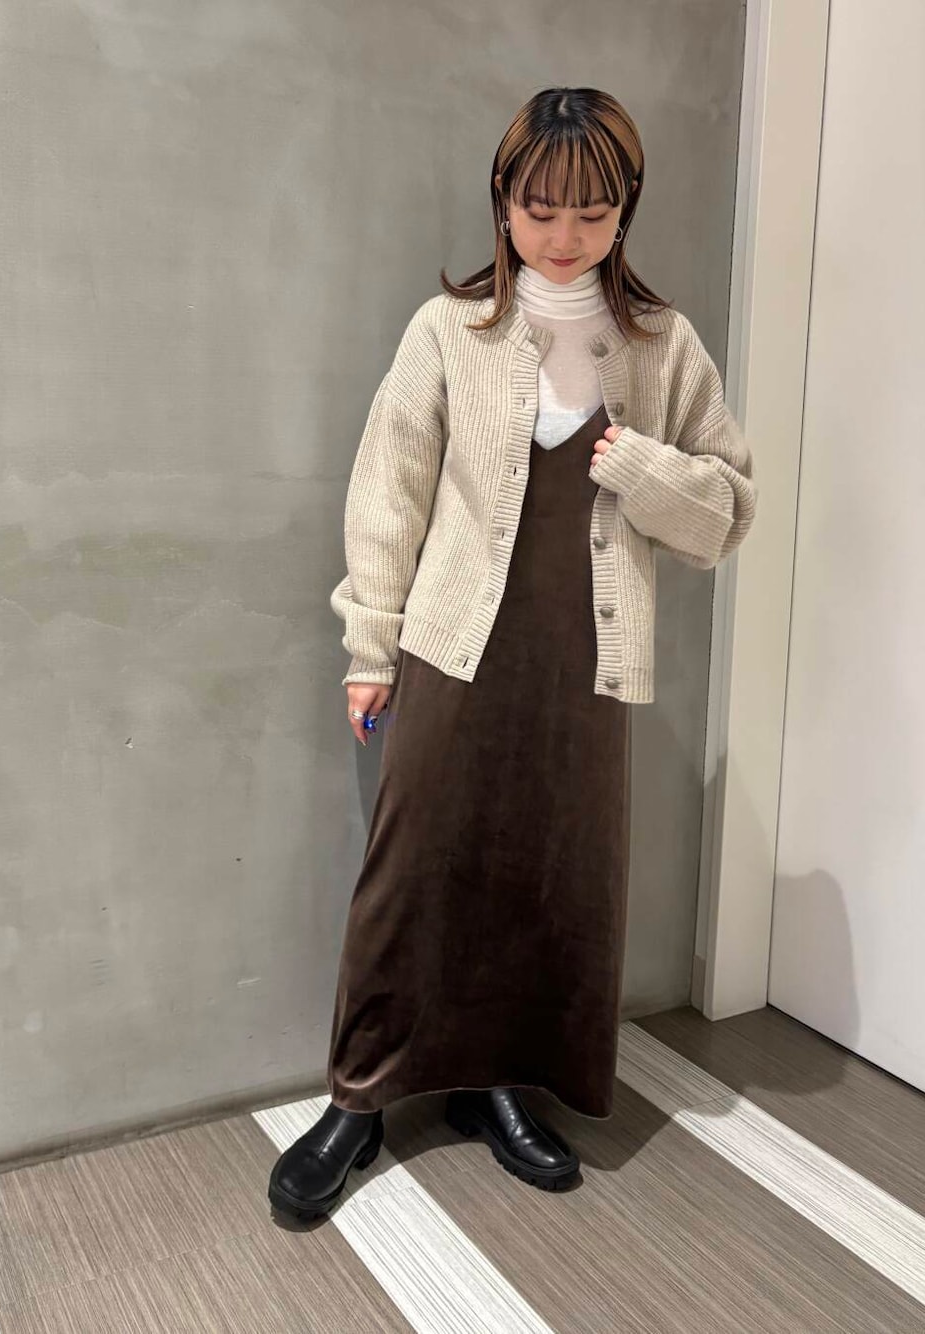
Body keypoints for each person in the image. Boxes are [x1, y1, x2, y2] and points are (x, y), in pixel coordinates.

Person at [268, 86, 757, 1221]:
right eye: (541, 208)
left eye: (592, 211)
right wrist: (369, 645)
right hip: (455, 647)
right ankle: (359, 1097)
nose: (565, 234)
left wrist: (639, 466)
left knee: (547, 874)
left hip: (589, 662)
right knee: (412, 868)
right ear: (502, 200)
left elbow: (726, 512)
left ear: (626, 208)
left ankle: (500, 1084)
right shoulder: (450, 330)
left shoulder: (662, 345)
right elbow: (387, 490)